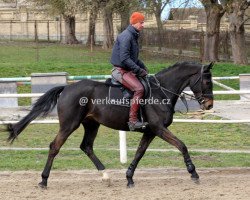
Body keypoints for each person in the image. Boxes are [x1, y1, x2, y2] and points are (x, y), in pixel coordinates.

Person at [110, 12, 148, 131]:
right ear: (135, 23)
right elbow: (125, 58)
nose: (143, 25)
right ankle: (132, 121)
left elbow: (134, 58)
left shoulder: (133, 35)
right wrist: (138, 70)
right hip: (120, 71)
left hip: (127, 69)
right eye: (141, 22)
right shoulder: (127, 36)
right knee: (139, 89)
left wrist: (143, 68)